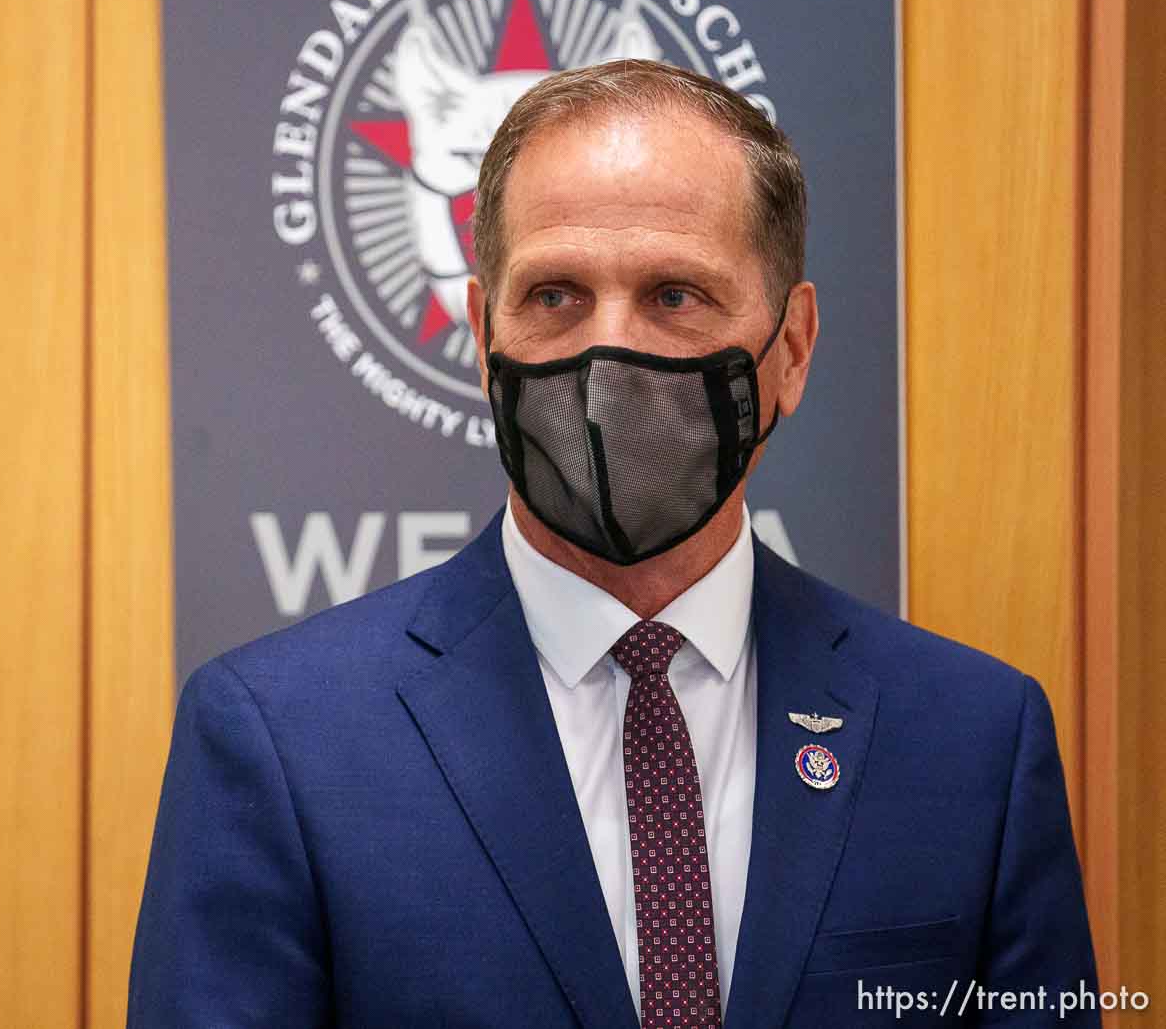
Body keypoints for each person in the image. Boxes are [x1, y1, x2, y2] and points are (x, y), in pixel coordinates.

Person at [127, 60, 1097, 1027]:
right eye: (555, 296)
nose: (608, 358)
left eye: (676, 295)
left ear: (791, 350)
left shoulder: (973, 741)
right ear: (483, 335)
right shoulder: (281, 741)